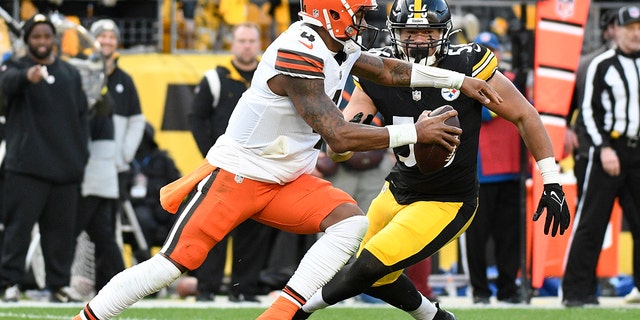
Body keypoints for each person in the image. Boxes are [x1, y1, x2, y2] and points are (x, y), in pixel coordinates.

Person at [72, 0, 503, 318]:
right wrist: (414, 130)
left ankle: (281, 313)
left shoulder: (339, 45)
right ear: (332, 13)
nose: (363, 21)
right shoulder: (298, 48)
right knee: (171, 265)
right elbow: (338, 134)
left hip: (289, 177)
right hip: (240, 174)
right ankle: (88, 316)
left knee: (350, 223)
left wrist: (456, 79)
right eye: (356, 13)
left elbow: (389, 71)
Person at [295, 0, 569, 319]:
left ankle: (298, 310)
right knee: (375, 276)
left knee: (366, 266)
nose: (419, 40)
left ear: (444, 32)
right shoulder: (378, 69)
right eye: (410, 32)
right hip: (396, 191)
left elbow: (524, 115)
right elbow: (339, 147)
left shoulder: (468, 64)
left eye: (428, 31)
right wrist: (342, 142)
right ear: (395, 33)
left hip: (447, 200)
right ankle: (436, 317)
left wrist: (551, 180)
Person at [0, 13, 90, 303]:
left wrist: (80, 158)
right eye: (36, 36)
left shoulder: (70, 74)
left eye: (46, 36)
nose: (42, 42)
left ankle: (58, 285)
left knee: (61, 236)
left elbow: (81, 119)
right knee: (18, 231)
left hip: (65, 169)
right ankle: (8, 283)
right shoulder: (15, 66)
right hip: (25, 169)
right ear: (27, 40)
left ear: (54, 40)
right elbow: (6, 84)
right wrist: (27, 77)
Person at [187, 22, 276, 303]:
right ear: (233, 44)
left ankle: (244, 288)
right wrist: (213, 154)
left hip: (260, 167)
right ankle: (207, 288)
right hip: (224, 166)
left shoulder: (272, 75)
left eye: (251, 40)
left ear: (258, 43)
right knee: (213, 227)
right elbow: (196, 119)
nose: (247, 45)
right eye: (242, 40)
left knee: (254, 229)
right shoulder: (215, 78)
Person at [562, 6, 640, 308]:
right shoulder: (602, 64)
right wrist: (604, 147)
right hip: (609, 150)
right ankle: (576, 292)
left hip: (638, 151)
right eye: (630, 27)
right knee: (592, 222)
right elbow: (588, 113)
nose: (635, 33)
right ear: (616, 30)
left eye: (639, 27)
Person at [461, 31, 524, 305]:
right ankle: (480, 291)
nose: (488, 54)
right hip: (480, 172)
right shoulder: (467, 85)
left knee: (509, 236)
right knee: (477, 236)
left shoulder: (512, 81)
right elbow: (490, 111)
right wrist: (515, 89)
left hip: (511, 170)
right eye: (482, 49)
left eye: (491, 49)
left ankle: (509, 289)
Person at [89, 19, 146, 232]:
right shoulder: (83, 75)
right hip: (85, 166)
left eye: (112, 37)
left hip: (115, 168)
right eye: (102, 36)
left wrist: (124, 155)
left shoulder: (125, 80)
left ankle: (110, 267)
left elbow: (136, 120)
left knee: (108, 226)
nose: (107, 41)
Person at [73, 93, 125, 294]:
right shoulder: (103, 102)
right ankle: (123, 282)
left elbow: (84, 143)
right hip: (102, 179)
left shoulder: (96, 104)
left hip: (92, 180)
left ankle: (58, 283)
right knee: (103, 235)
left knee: (70, 233)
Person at [127, 122, 182, 254]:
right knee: (142, 218)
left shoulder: (163, 160)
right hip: (139, 207)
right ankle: (144, 263)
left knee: (183, 219)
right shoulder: (127, 162)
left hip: (164, 206)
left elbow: (177, 185)